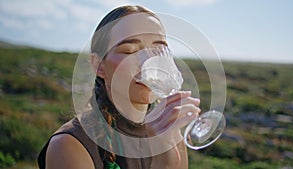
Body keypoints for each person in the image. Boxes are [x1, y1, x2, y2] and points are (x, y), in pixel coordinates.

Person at [37, 5, 201, 169]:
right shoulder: (69, 145)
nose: (148, 63)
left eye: (158, 49)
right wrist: (163, 163)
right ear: (99, 66)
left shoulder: (168, 130)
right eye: (130, 51)